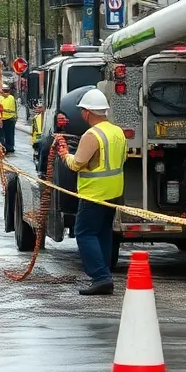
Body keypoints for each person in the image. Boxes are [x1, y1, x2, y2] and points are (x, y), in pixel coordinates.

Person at [57, 88, 125, 296]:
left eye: (82, 112)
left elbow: (77, 164)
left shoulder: (91, 135)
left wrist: (64, 153)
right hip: (113, 193)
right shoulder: (117, 132)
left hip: (93, 194)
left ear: (87, 112)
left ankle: (101, 277)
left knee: (85, 233)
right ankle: (104, 274)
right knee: (103, 232)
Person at [0, 82, 18, 154]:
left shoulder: (11, 98)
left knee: (8, 135)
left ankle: (9, 147)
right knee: (3, 135)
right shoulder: (1, 98)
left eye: (6, 91)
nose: (5, 92)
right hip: (3, 119)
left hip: (9, 119)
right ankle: (4, 147)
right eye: (4, 91)